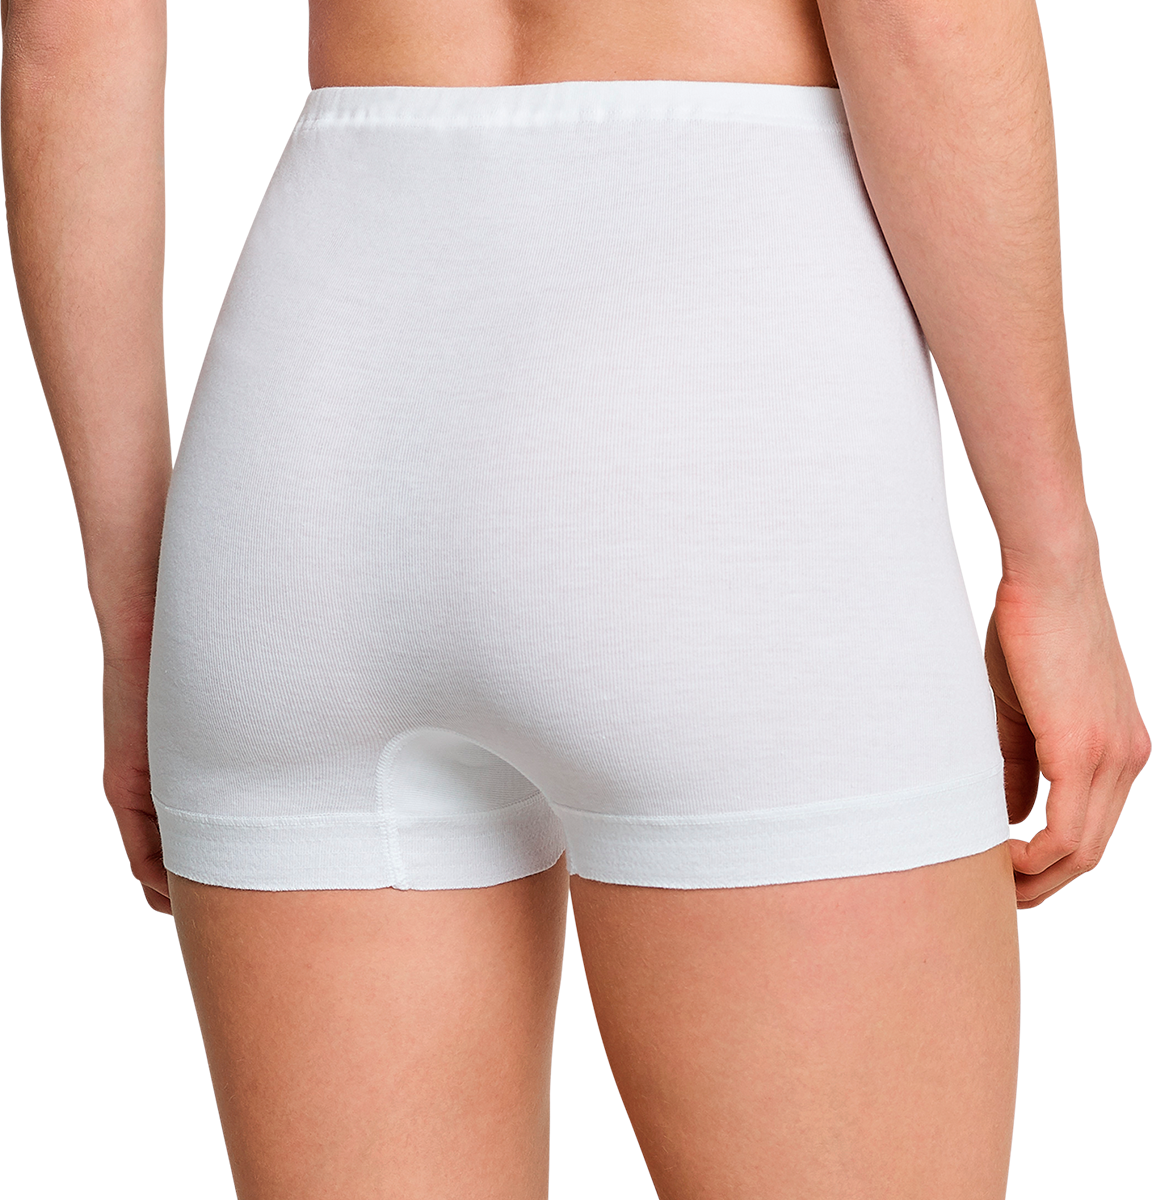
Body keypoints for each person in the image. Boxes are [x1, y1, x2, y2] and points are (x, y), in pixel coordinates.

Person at [4, 0, 1148, 1195]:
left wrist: (142, 618)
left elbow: (68, 38)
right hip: (731, 396)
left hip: (314, 410)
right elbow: (927, 25)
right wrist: (1055, 564)